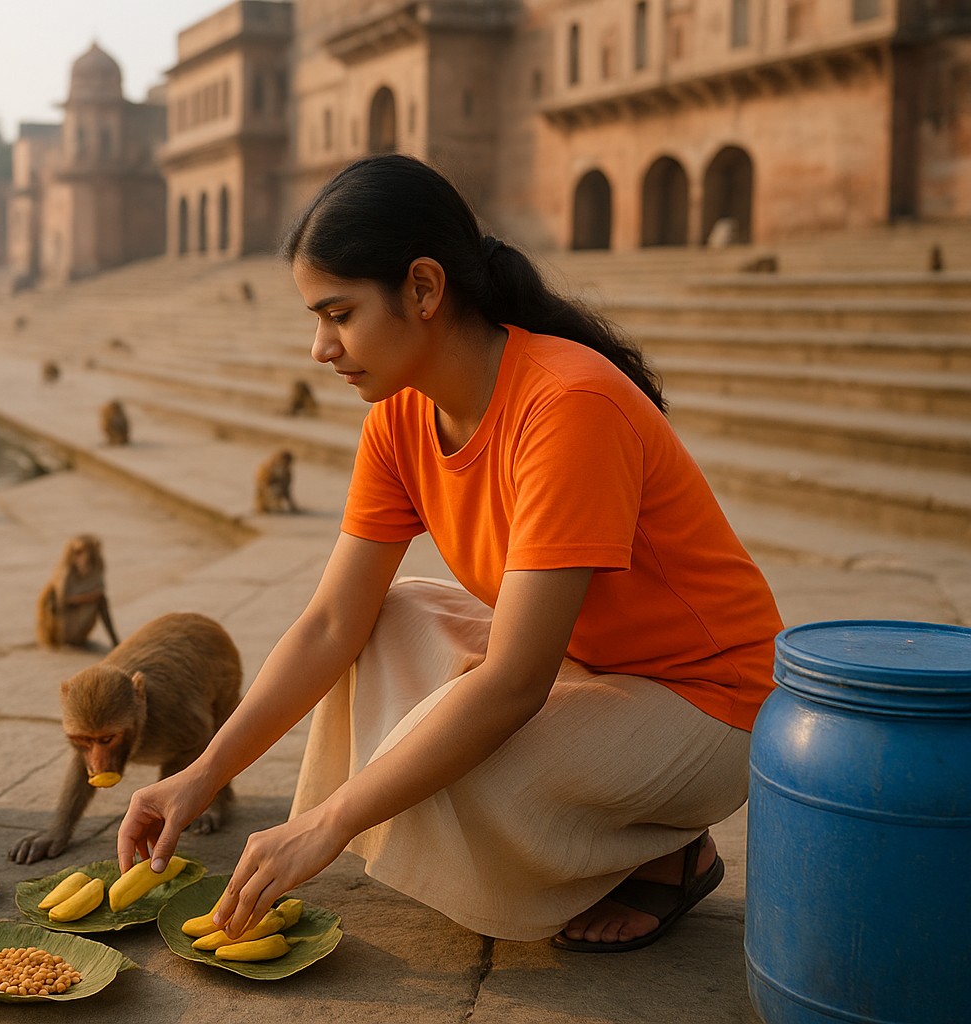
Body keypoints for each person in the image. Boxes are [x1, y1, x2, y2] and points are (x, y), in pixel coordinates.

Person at [116, 154, 782, 952]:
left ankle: (666, 848)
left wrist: (330, 820)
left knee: (456, 773)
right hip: (589, 670)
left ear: (424, 290)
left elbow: (512, 683)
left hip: (711, 705)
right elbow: (331, 623)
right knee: (387, 622)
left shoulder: (568, 405)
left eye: (339, 314)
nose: (321, 348)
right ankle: (613, 828)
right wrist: (202, 773)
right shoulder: (399, 421)